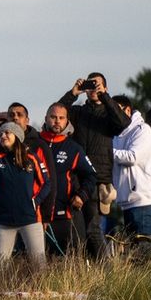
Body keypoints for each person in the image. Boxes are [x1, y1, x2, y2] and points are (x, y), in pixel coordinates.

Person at [57, 73, 131, 259]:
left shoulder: (108, 114)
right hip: (75, 177)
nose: (93, 89)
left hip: (98, 179)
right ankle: (86, 269)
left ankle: (104, 271)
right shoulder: (79, 112)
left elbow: (123, 123)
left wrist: (105, 96)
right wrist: (73, 93)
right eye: (90, 85)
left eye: (97, 85)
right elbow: (56, 113)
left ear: (104, 87)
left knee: (93, 229)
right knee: (77, 230)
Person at [0, 119, 50, 267]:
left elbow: (46, 183)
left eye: (7, 132)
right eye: (1, 134)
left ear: (17, 136)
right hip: (4, 221)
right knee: (0, 266)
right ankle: (2, 290)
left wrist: (35, 202)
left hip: (30, 219)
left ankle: (42, 290)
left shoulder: (31, 158)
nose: (3, 136)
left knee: (39, 264)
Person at [39, 103, 97, 256]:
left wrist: (82, 195)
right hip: (36, 216)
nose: (57, 121)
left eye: (61, 118)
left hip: (65, 214)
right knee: (37, 265)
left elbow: (91, 175)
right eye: (53, 117)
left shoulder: (73, 148)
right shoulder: (33, 145)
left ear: (66, 122)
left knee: (72, 260)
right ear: (46, 119)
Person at [111, 96, 151, 238]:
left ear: (127, 110)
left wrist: (107, 152)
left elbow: (133, 157)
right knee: (133, 252)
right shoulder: (115, 136)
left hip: (144, 201)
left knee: (144, 251)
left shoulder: (142, 130)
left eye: (116, 110)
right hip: (126, 202)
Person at [7, 102, 57, 223]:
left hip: (33, 214)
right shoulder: (2, 146)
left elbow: (50, 182)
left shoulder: (39, 146)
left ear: (27, 120)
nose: (15, 117)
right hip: (7, 215)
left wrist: (45, 216)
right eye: (11, 115)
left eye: (20, 115)